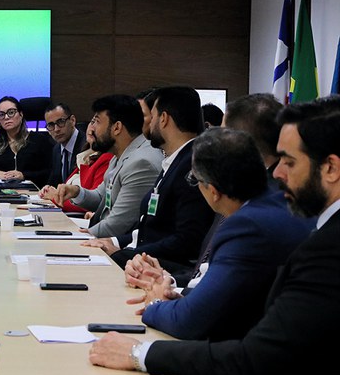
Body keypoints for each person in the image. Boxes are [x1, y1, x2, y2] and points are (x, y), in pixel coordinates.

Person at [90, 96, 340, 375]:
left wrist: (139, 351)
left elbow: (259, 355)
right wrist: (172, 287)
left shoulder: (317, 244)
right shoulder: (298, 220)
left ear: (331, 169)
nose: (278, 173)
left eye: (290, 162)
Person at [125, 128, 311, 341]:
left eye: (196, 181)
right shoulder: (277, 203)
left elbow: (188, 322)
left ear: (213, 191)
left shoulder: (247, 225)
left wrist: (155, 304)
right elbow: (229, 288)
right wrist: (169, 282)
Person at [84, 87, 214, 270]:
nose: (147, 125)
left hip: (159, 269)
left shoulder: (191, 164)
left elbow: (186, 240)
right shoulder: (175, 159)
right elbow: (148, 229)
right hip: (142, 260)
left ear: (163, 119)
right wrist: (111, 241)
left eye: (151, 117)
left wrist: (120, 254)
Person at [51, 95, 163, 237]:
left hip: (120, 249)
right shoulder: (120, 155)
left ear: (117, 127)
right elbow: (100, 198)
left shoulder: (141, 163)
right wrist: (76, 192)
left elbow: (118, 224)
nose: (92, 129)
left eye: (97, 122)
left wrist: (74, 237)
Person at [0, 96, 54, 187]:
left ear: (21, 114)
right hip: (4, 195)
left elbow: (51, 172)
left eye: (11, 112)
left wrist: (24, 175)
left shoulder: (39, 140)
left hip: (35, 194)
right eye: (2, 114)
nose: (6, 117)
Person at [43, 102, 88, 187]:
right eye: (51, 125)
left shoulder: (87, 146)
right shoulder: (56, 149)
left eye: (60, 122)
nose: (56, 129)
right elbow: (53, 183)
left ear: (72, 120)